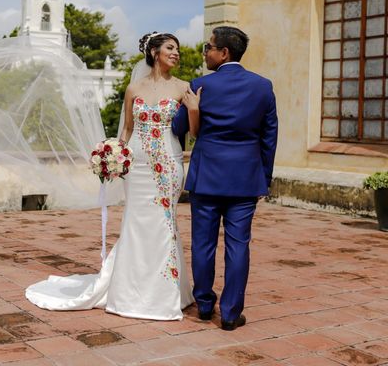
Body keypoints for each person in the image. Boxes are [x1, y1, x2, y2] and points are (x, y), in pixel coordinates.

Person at [25, 32, 199, 320]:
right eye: (171, 48)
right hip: (138, 167)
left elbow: (193, 133)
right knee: (135, 221)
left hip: (168, 164)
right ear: (155, 52)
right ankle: (129, 291)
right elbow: (127, 130)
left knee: (164, 222)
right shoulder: (134, 89)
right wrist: (113, 155)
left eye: (177, 49)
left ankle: (165, 294)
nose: (177, 53)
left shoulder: (184, 88)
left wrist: (193, 109)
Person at [172, 26, 278, 331]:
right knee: (238, 245)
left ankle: (205, 304)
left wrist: (192, 108)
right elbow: (269, 138)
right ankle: (231, 313)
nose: (205, 52)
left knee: (203, 244)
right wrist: (264, 178)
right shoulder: (263, 86)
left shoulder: (201, 85)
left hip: (206, 177)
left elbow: (179, 127)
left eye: (209, 47)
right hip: (245, 179)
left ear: (224, 53)